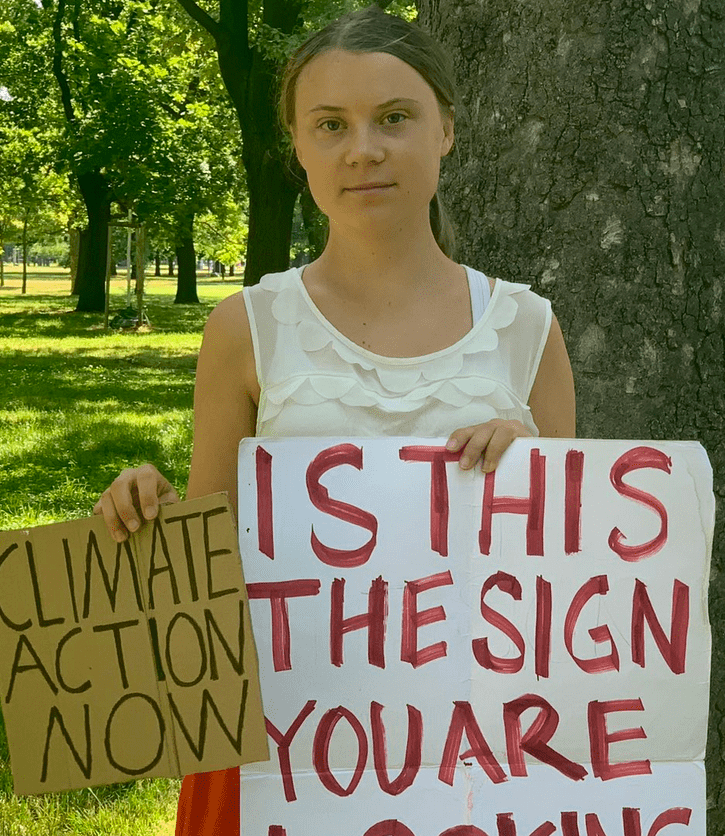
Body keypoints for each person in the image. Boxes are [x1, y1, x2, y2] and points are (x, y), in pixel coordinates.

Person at [92, 6, 575, 834]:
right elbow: (209, 549)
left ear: (446, 129)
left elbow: (570, 582)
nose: (364, 149)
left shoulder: (527, 328)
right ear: (298, 147)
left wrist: (539, 476)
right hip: (290, 751)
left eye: (394, 117)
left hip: (475, 756)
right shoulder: (247, 327)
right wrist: (144, 511)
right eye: (330, 125)